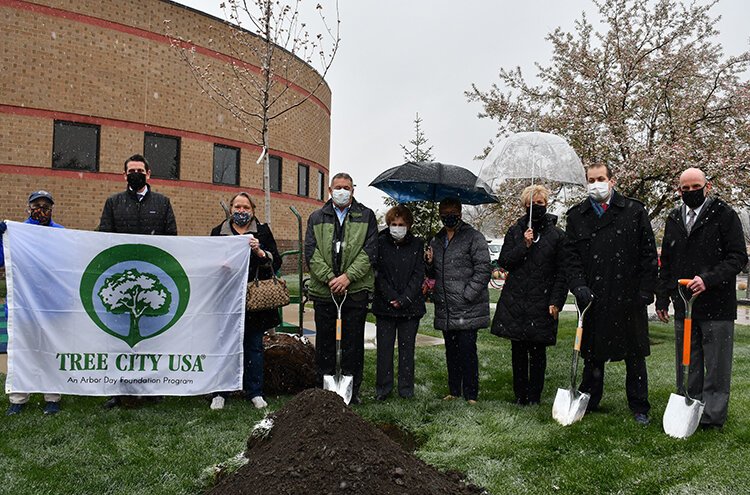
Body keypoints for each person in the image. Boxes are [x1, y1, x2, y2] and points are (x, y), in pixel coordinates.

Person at [565, 162, 658, 425]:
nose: (596, 184)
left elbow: (648, 255)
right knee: (593, 354)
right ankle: (590, 398)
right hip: (593, 297)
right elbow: (570, 258)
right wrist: (578, 285)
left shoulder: (633, 211)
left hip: (628, 297)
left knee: (635, 356)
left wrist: (645, 291)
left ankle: (639, 405)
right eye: (591, 180)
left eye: (601, 178)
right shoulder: (577, 216)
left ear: (612, 180)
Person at [656, 167, 747, 430]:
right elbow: (668, 262)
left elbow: (738, 257)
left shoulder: (724, 215)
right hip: (684, 303)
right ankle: (688, 405)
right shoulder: (674, 218)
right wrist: (662, 297)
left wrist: (708, 279)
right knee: (687, 360)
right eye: (685, 189)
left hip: (717, 303)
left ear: (707, 187)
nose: (691, 192)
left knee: (717, 364)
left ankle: (712, 417)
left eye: (696, 187)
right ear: (679, 191)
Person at [98, 154, 178, 409]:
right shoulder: (113, 203)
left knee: (152, 338)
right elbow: (104, 237)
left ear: (148, 173)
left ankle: (152, 388)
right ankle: (118, 390)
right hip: (121, 280)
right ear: (124, 175)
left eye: (139, 170)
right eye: (131, 170)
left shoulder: (163, 203)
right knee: (120, 338)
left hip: (152, 281)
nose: (135, 173)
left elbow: (172, 239)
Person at [304, 172, 378, 405]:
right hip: (324, 292)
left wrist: (347, 277)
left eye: (346, 187)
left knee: (352, 343)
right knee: (325, 342)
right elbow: (311, 252)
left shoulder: (366, 216)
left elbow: (370, 251)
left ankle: (351, 390)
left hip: (354, 291)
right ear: (329, 190)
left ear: (353, 190)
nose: (342, 191)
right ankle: (324, 388)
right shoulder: (317, 217)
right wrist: (330, 278)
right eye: (338, 187)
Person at [490, 185, 567, 405]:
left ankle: (534, 396)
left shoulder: (557, 235)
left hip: (542, 300)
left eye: (541, 203)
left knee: (538, 351)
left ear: (547, 204)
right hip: (517, 299)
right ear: (525, 206)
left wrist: (556, 301)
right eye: (532, 204)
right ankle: (520, 395)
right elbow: (504, 261)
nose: (537, 207)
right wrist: (524, 245)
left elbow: (562, 272)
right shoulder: (515, 231)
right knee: (519, 351)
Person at [209, 192, 281, 410]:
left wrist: (260, 252)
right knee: (224, 344)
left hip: (254, 300)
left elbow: (275, 262)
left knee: (254, 346)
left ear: (253, 210)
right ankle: (220, 391)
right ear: (231, 209)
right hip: (226, 297)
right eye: (237, 207)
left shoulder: (263, 232)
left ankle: (255, 391)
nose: (241, 211)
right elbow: (209, 262)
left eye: (246, 208)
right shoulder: (218, 233)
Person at [1, 190, 64, 415]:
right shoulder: (16, 232)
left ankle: (52, 397)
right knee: (22, 351)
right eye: (37, 205)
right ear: (28, 207)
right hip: (23, 304)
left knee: (51, 350)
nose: (41, 210)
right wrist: (3, 238)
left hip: (51, 305)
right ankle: (18, 398)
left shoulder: (60, 234)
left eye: (46, 205)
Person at [425, 197, 491, 404]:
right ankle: (454, 390)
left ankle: (471, 394)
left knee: (467, 351)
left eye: (452, 211)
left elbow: (483, 269)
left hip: (467, 307)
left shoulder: (474, 237)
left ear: (460, 213)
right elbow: (433, 273)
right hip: (446, 307)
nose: (448, 216)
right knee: (451, 352)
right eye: (444, 212)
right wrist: (428, 262)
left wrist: (467, 294)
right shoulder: (436, 240)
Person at [372, 205, 426, 401]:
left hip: (410, 307)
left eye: (401, 224)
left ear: (409, 225)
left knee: (407, 351)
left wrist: (405, 299)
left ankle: (406, 390)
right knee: (384, 351)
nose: (397, 227)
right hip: (385, 306)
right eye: (393, 224)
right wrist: (391, 297)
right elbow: (378, 275)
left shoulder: (418, 245)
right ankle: (383, 389)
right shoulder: (380, 243)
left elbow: (418, 273)